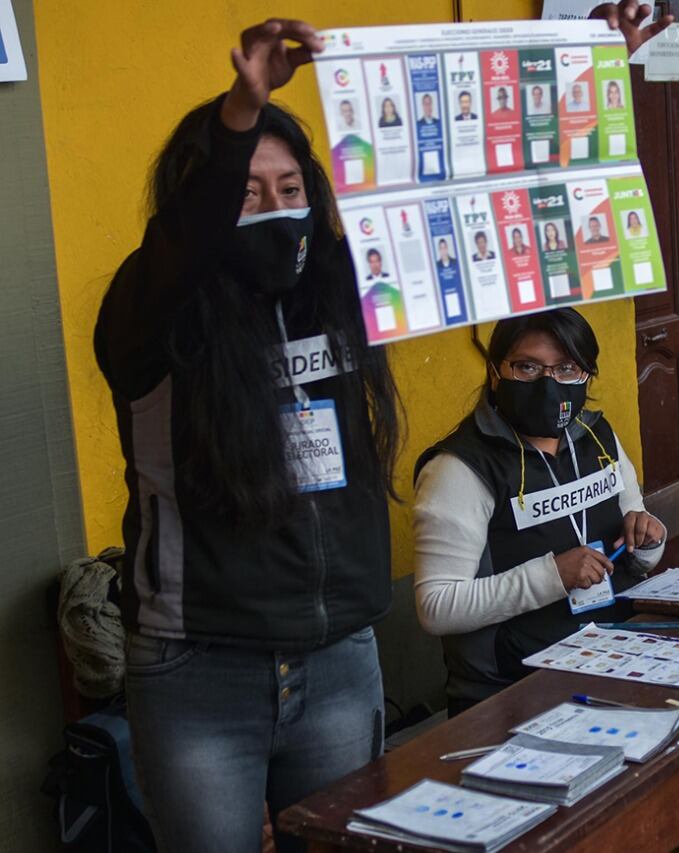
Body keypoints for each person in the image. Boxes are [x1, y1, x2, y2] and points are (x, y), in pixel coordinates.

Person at [93, 19, 401, 853]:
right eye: (245, 191)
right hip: (200, 667)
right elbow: (183, 247)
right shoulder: (148, 312)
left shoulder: (340, 286)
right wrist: (242, 108)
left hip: (340, 655)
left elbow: (458, 202)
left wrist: (586, 62)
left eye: (290, 188)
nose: (273, 209)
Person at [413, 308, 666, 714]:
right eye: (527, 367)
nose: (549, 385)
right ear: (496, 373)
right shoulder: (459, 469)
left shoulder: (597, 437)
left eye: (566, 368)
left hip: (612, 655)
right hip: (511, 689)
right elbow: (436, 607)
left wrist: (649, 539)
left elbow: (635, 535)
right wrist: (552, 576)